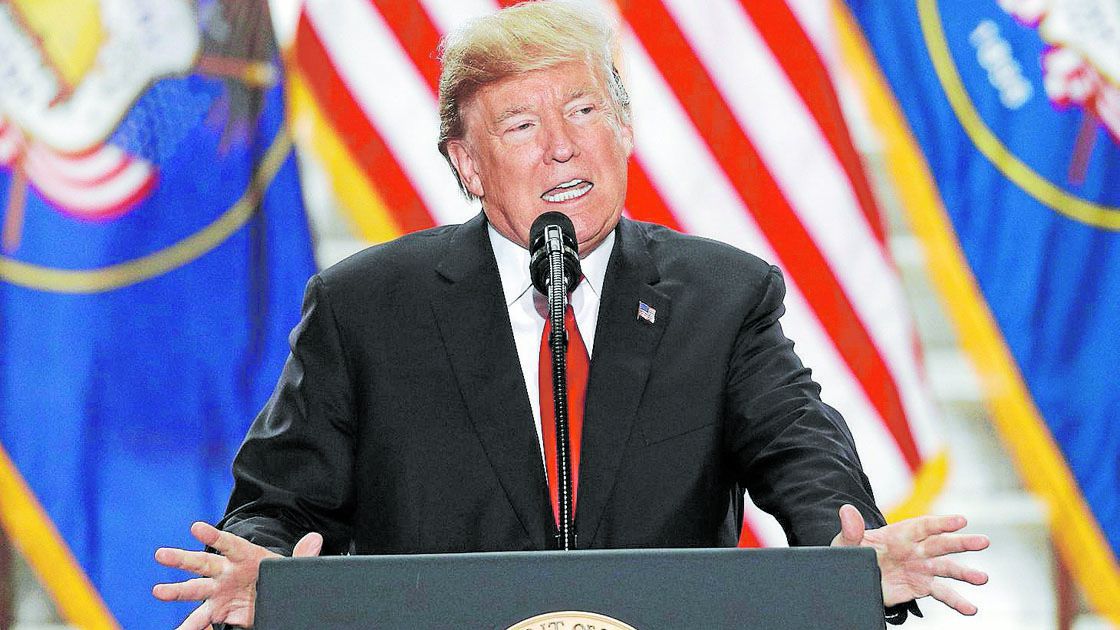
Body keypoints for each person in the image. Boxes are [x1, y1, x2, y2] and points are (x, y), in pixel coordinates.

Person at [153, 2, 989, 627]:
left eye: (584, 110)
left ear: (623, 130)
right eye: (520, 124)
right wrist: (262, 556)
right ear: (467, 165)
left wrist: (843, 550)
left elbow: (799, 447)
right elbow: (281, 497)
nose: (562, 145)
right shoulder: (366, 306)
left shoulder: (723, 295)